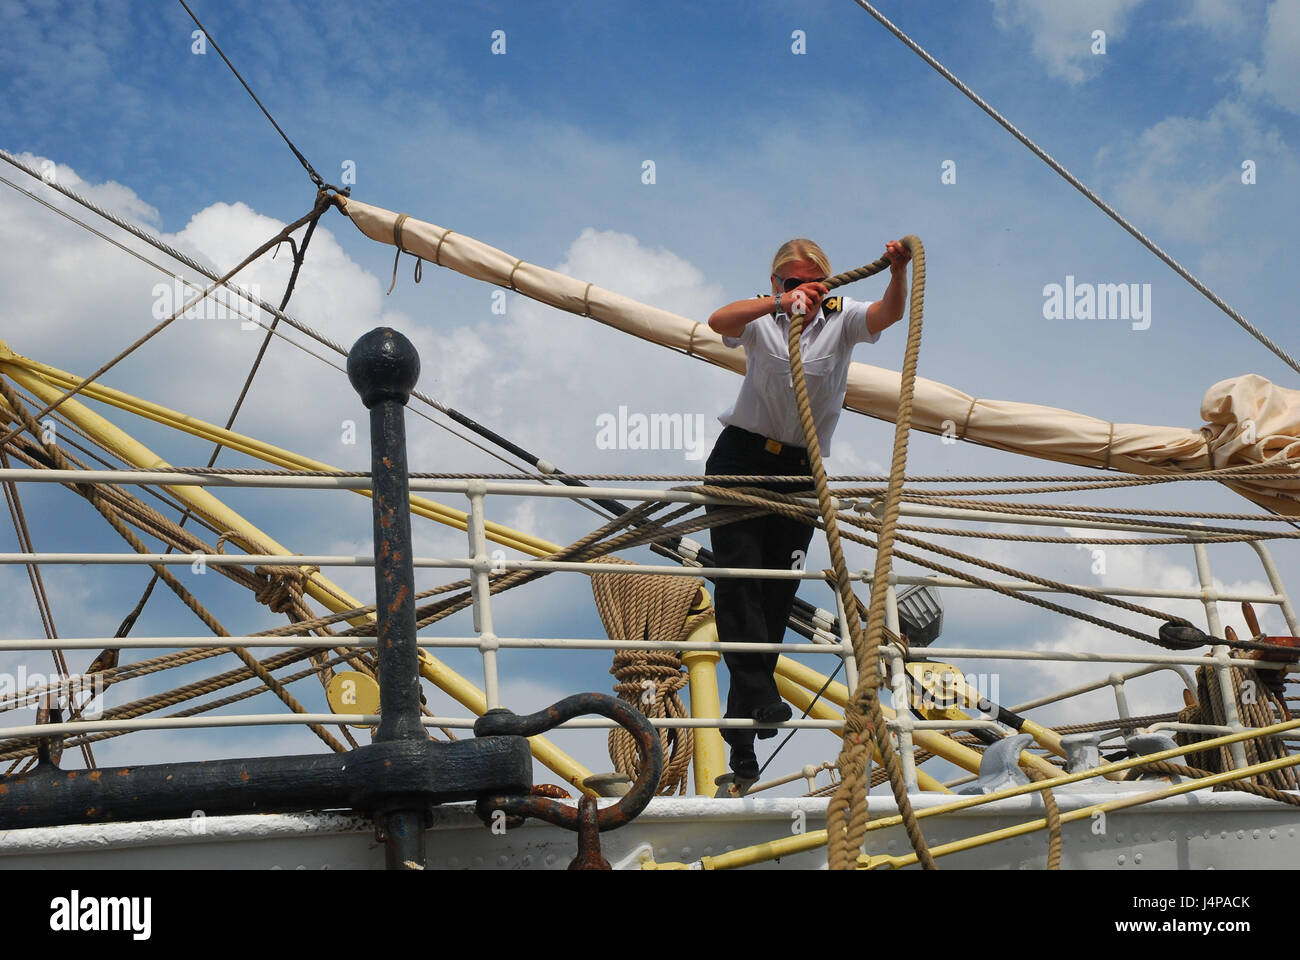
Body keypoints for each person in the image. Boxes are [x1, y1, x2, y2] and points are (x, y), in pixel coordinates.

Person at [704, 237, 911, 785]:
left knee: (777, 593)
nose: (800, 292)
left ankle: (744, 724)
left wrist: (896, 272)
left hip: (801, 469)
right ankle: (755, 702)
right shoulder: (761, 316)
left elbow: (890, 313)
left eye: (809, 283)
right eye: (788, 282)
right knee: (740, 580)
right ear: (776, 284)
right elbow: (716, 320)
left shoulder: (841, 321)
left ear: (828, 283)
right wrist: (779, 306)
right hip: (742, 458)